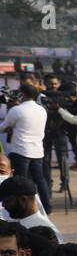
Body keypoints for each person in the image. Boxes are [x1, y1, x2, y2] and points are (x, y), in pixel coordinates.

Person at [1, 83, 50, 211]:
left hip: (21, 150)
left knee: (20, 182)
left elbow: (4, 126)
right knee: (40, 180)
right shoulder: (42, 110)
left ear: (23, 94)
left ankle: (22, 208)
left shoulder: (17, 110)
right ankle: (46, 207)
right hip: (37, 151)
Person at [0, 176, 63, 243]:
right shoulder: (16, 223)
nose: (4, 205)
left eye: (7, 201)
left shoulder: (43, 232)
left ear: (23, 200)